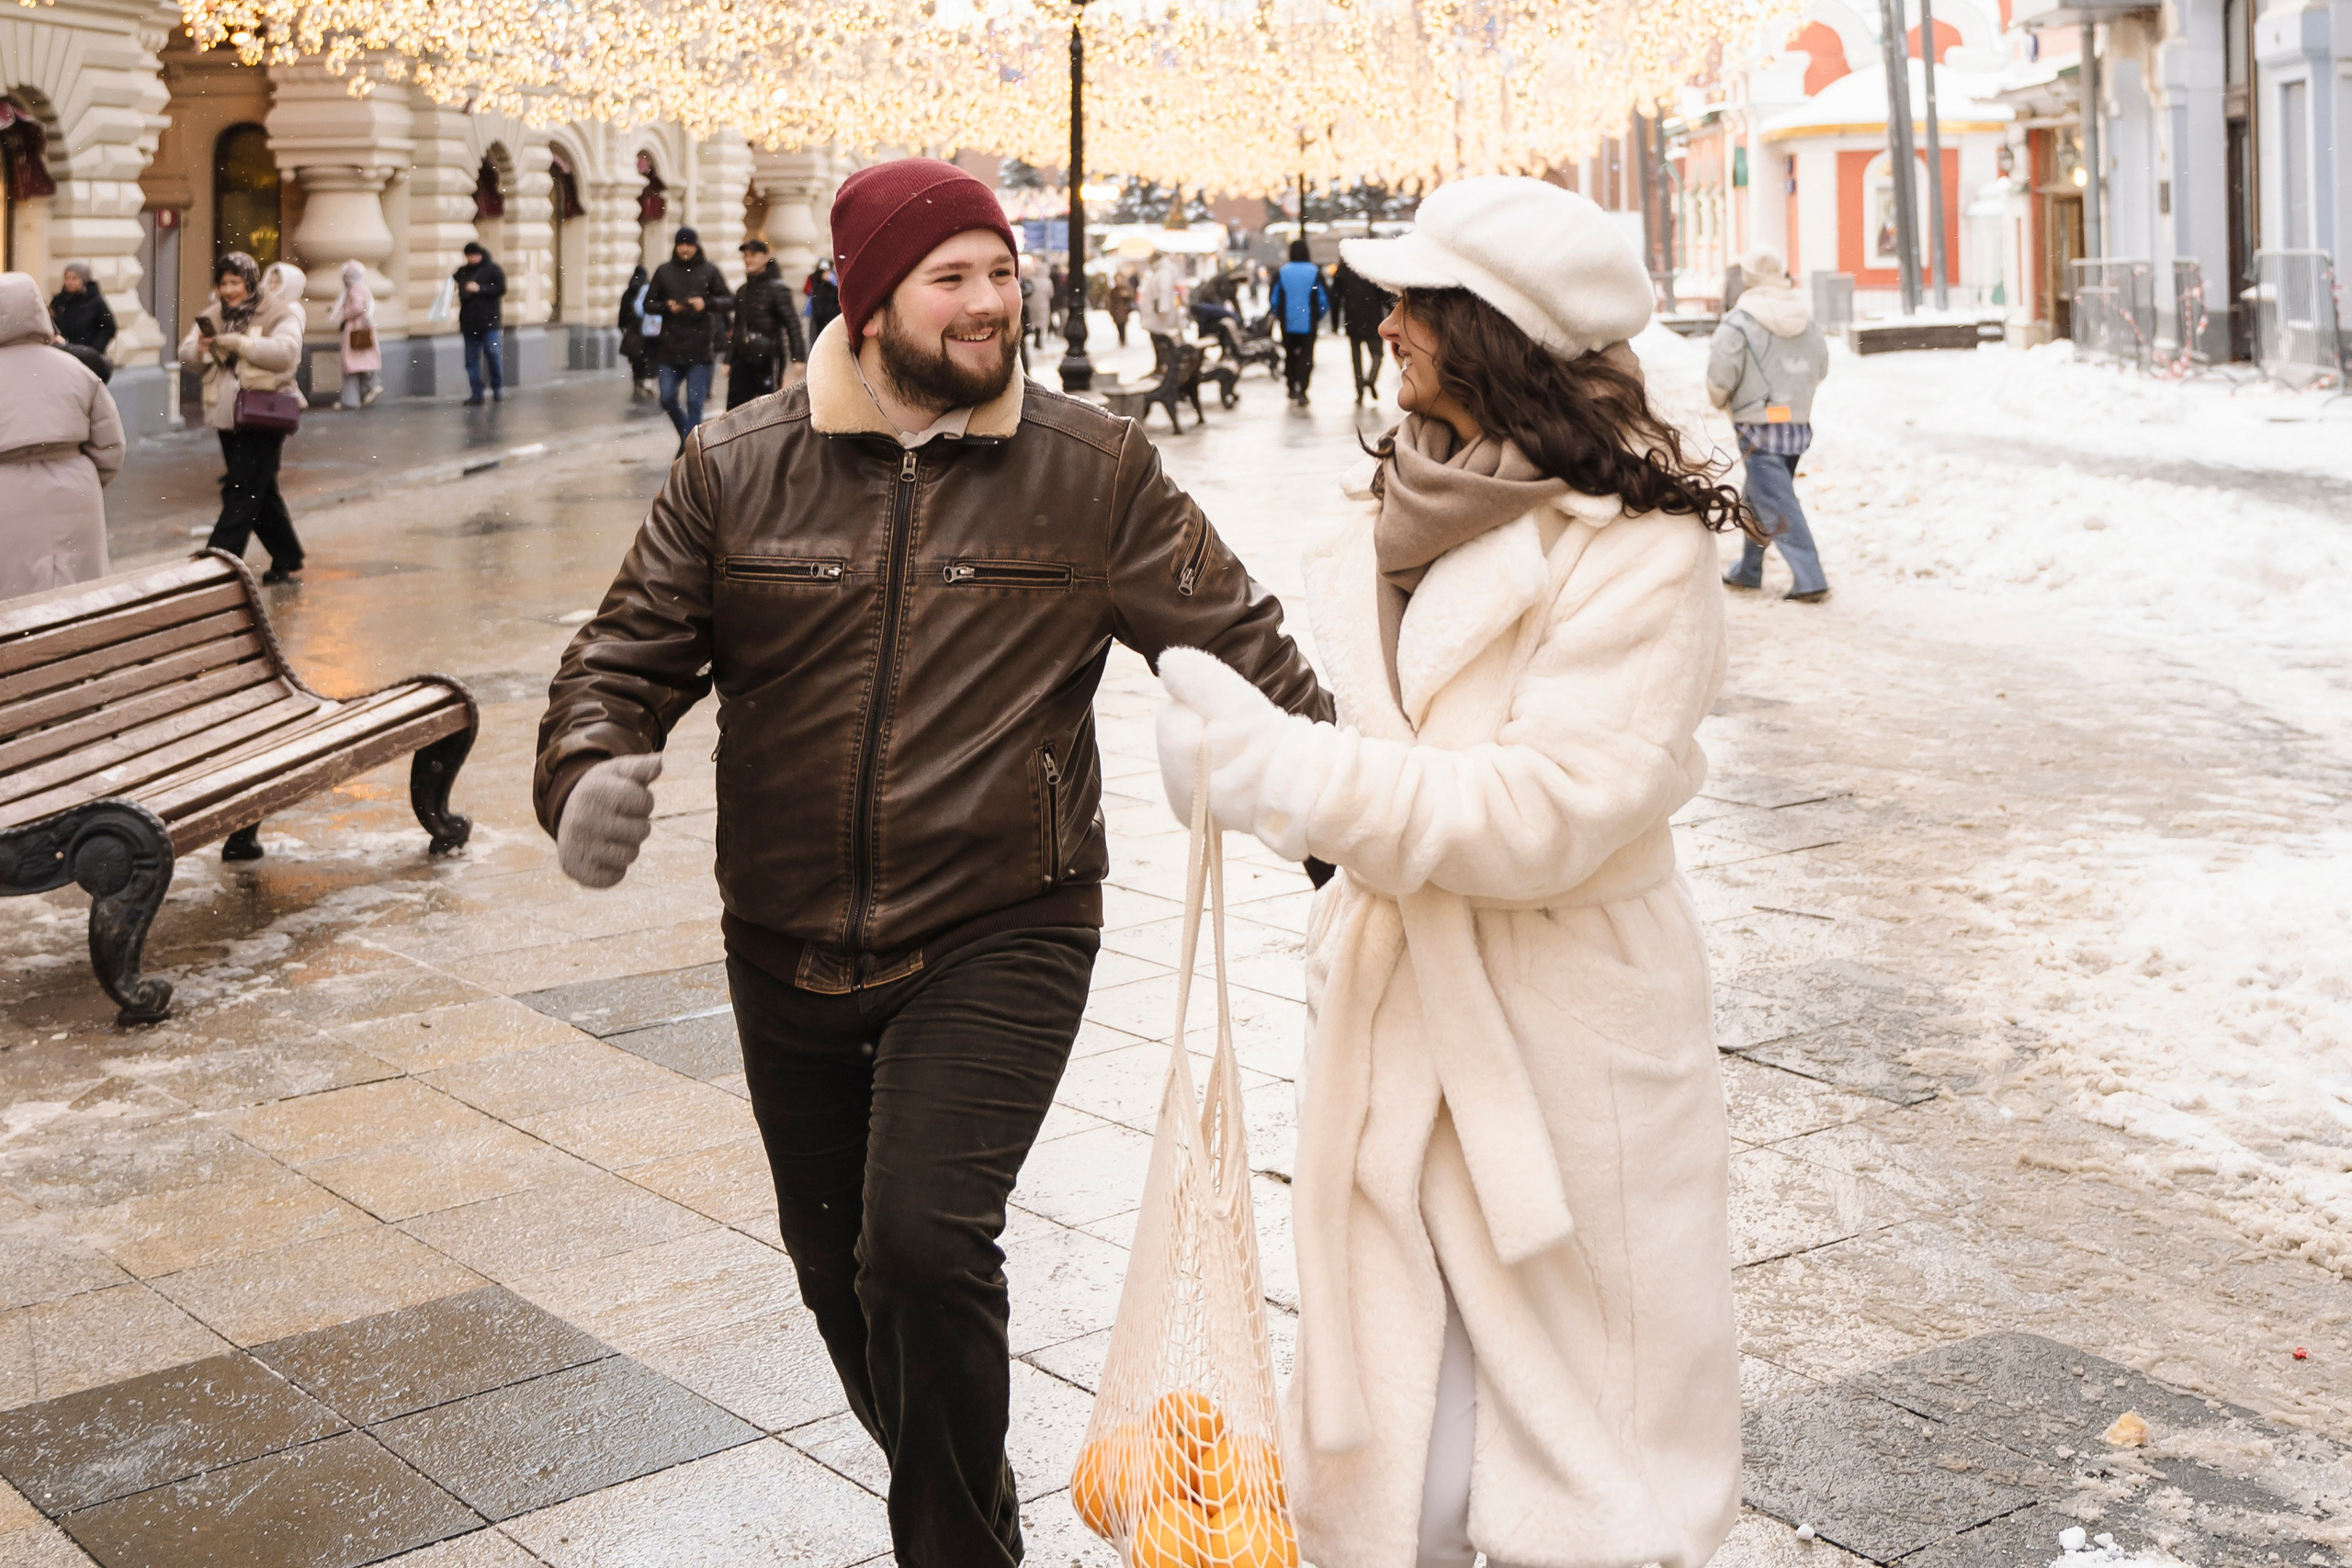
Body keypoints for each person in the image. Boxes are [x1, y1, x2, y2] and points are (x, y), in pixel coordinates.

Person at [534, 155, 1329, 1568]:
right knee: (845, 1286)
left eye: (1001, 273)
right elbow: (624, 652)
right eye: (951, 277)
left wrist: (1365, 841)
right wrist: (588, 766)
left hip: (1002, 920)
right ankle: (972, 1510)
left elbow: (1251, 656)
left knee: (921, 1246)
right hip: (782, 939)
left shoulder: (1091, 469)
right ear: (868, 300)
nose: (989, 303)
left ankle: (957, 1554)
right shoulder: (734, 465)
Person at [1152, 175, 1758, 1568]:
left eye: (1422, 301)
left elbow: (1546, 807)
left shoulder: (1642, 550)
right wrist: (1247, 776)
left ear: (1502, 331)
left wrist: (1285, 775)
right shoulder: (1392, 505)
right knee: (1397, 1477)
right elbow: (1401, 761)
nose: (1393, 323)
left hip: (1556, 1039)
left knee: (1585, 1477)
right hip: (1393, 1025)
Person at [1709, 245, 1831, 602]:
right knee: (1759, 496)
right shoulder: (1804, 319)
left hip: (1756, 424)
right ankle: (1748, 570)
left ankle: (1810, 578)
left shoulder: (1739, 321)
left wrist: (1720, 397)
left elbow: (1721, 372)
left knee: (1776, 501)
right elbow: (1820, 366)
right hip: (1796, 425)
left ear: (1747, 277)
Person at [180, 254, 307, 583]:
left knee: (242, 487)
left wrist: (243, 345)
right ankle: (287, 557)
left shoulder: (280, 312)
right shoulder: (213, 315)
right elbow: (186, 356)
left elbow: (286, 354)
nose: (229, 290)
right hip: (227, 414)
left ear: (250, 282)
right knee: (259, 488)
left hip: (265, 411)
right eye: (223, 283)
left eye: (235, 282)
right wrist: (202, 349)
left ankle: (218, 561)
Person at [1, 271, 123, 599]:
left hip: (6, 498)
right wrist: (84, 479)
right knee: (79, 598)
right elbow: (110, 445)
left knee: (14, 599)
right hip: (76, 492)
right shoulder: (76, 369)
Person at [643, 225, 732, 444]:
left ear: (696, 246)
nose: (685, 249)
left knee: (695, 403)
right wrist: (667, 306)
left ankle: (688, 449)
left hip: (700, 349)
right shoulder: (664, 271)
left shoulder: (709, 271)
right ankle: (688, 439)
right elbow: (648, 304)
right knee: (666, 397)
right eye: (681, 244)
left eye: (689, 245)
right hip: (669, 348)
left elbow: (729, 300)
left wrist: (706, 303)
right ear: (675, 246)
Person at [727, 237, 808, 411]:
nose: (748, 260)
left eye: (753, 255)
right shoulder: (742, 290)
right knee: (736, 409)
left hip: (769, 357)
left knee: (768, 408)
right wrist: (728, 360)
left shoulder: (778, 289)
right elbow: (738, 327)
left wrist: (798, 357)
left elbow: (792, 324)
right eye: (746, 256)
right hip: (742, 358)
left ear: (766, 257)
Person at [1267, 237, 1329, 404]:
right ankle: (1303, 388)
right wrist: (1318, 316)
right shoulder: (1314, 271)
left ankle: (1290, 386)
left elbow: (1274, 299)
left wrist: (1280, 314)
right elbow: (1323, 299)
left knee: (1290, 355)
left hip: (1288, 323)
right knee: (1306, 357)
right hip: (1309, 322)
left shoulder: (1282, 272)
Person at [1332, 256, 1391, 404]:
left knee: (1356, 359)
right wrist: (1393, 312)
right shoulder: (1371, 271)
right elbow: (1386, 296)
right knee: (1377, 354)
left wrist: (1334, 324)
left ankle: (1359, 393)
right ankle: (1371, 379)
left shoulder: (1344, 271)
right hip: (1373, 320)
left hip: (1353, 320)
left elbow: (1335, 298)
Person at [454, 242, 506, 404]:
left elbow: (500, 289)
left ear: (480, 254)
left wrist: (480, 289)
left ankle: (497, 388)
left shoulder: (493, 270)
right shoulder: (463, 272)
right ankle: (477, 394)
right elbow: (452, 284)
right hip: (469, 323)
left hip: (490, 322)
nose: (471, 258)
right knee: (471, 360)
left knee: (493, 354)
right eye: (468, 256)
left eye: (473, 255)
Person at [333, 259, 382, 409]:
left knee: (350, 365)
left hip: (355, 328)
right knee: (364, 361)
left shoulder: (354, 289)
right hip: (362, 327)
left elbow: (357, 307)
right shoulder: (362, 287)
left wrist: (344, 314)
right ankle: (371, 386)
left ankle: (351, 399)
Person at [48, 261, 117, 356]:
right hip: (63, 354)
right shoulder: (59, 301)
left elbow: (108, 328)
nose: (69, 282)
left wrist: (94, 350)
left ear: (84, 280)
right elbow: (51, 324)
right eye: (67, 278)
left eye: (75, 278)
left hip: (88, 356)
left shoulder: (95, 302)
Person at [1136, 251, 1184, 365]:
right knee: (1158, 341)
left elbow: (1165, 293)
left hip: (1158, 315)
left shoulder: (1163, 273)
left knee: (1162, 342)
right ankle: (1161, 366)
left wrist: (1163, 310)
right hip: (1156, 314)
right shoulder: (1160, 272)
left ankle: (1164, 366)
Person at [619, 264, 654, 398]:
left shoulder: (629, 291)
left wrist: (622, 325)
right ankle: (646, 378)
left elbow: (623, 310)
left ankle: (637, 378)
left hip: (632, 329)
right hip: (647, 328)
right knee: (647, 354)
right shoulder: (647, 289)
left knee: (635, 356)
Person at [805, 258, 840, 340]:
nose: (828, 274)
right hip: (823, 322)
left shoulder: (832, 288)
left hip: (830, 321)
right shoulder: (819, 289)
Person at [1106, 267, 1137, 346]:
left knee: (1122, 326)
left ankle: (1123, 339)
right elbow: (1110, 302)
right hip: (1116, 312)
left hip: (1124, 311)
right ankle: (1121, 339)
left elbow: (1131, 298)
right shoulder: (1113, 290)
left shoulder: (1126, 289)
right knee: (1119, 326)